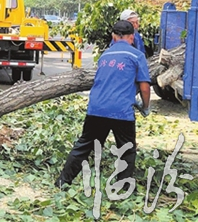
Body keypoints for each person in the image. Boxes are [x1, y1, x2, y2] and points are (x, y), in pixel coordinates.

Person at [56, 20, 151, 190]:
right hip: (121, 111)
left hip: (97, 109)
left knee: (84, 146)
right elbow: (144, 87)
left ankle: (63, 181)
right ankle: (123, 187)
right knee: (127, 150)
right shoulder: (137, 56)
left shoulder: (105, 55)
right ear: (132, 37)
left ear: (114, 36)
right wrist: (145, 106)